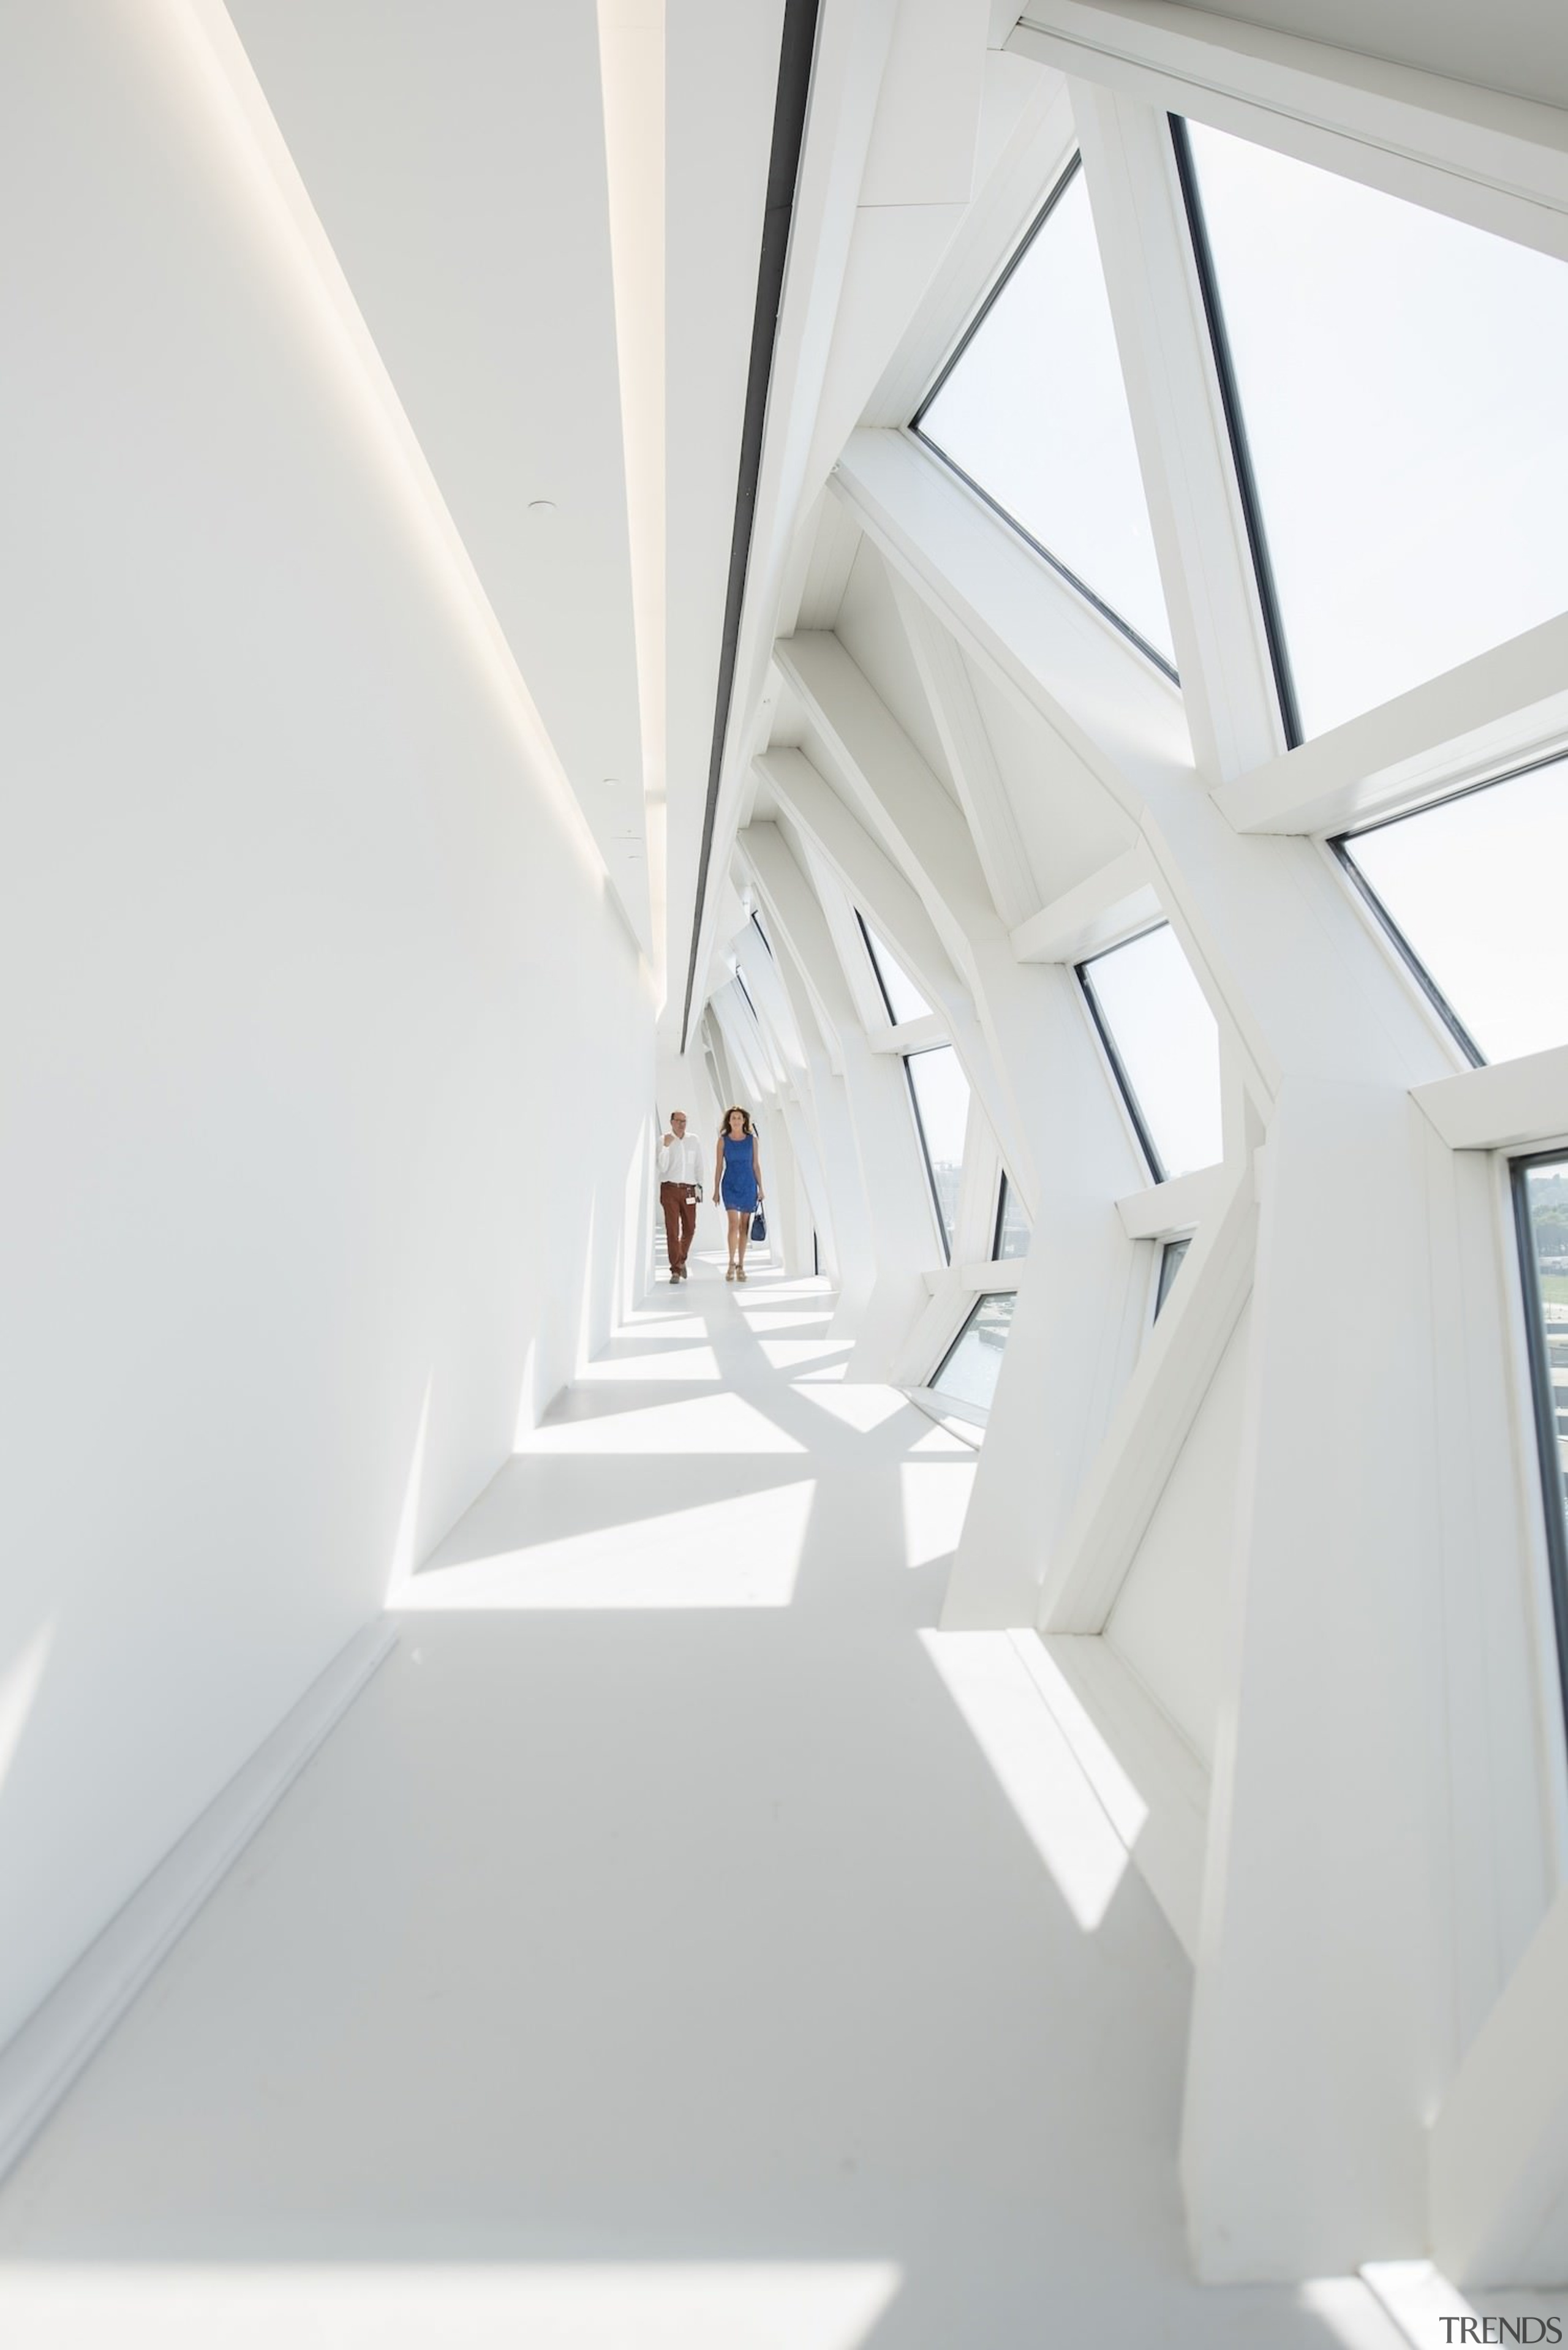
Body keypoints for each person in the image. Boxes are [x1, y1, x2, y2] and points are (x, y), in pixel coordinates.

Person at [714, 1107, 764, 1284]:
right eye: (733, 1118)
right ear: (729, 1121)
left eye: (739, 1118)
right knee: (733, 1225)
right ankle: (731, 1263)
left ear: (744, 1121)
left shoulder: (752, 1141)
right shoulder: (723, 1141)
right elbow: (719, 1166)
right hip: (730, 1185)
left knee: (744, 1226)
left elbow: (756, 1165)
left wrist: (761, 1188)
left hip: (748, 1184)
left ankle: (741, 1265)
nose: (736, 1121)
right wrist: (715, 1190)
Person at [657, 1110, 703, 1282]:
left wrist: (700, 1186)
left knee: (690, 1228)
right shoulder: (663, 1140)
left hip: (689, 1190)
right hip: (669, 1189)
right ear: (671, 1122)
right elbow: (661, 1167)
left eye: (684, 1121)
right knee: (673, 1230)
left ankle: (681, 1259)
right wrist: (666, 1147)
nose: (682, 1124)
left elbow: (699, 1165)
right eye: (678, 1121)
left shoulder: (694, 1140)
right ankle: (675, 1270)